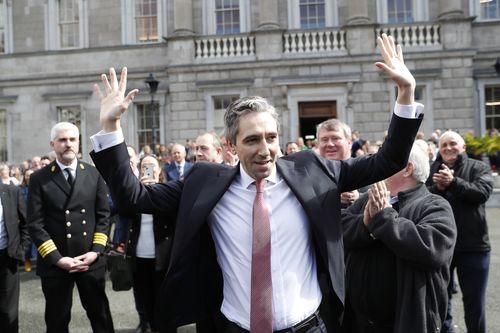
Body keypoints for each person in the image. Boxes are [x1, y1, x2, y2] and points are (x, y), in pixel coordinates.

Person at [90, 34, 423, 332]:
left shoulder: (313, 170)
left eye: (271, 137)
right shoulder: (205, 183)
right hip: (233, 325)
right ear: (231, 147)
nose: (265, 150)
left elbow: (389, 161)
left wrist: (406, 92)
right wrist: (110, 126)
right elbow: (133, 196)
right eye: (252, 140)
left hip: (310, 325)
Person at [341, 144, 457, 332]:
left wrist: (384, 218)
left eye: (385, 161)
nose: (376, 166)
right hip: (359, 321)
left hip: (405, 321)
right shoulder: (367, 199)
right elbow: (340, 228)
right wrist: (365, 225)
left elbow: (431, 249)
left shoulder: (435, 205)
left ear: (407, 169)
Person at [27, 122, 114, 333]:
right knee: (57, 320)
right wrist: (57, 259)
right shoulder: (40, 178)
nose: (68, 144)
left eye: (72, 139)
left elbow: (104, 216)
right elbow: (35, 224)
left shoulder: (93, 174)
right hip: (57, 263)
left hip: (89, 261)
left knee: (100, 316)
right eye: (62, 140)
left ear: (78, 142)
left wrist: (95, 252)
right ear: (52, 143)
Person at [426, 130, 493, 333]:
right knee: (440, 301)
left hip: (474, 246)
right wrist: (438, 188)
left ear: (463, 147)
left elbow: (482, 193)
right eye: (444, 145)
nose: (448, 148)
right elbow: (418, 198)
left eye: (453, 143)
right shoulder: (431, 169)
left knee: (474, 304)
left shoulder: (479, 167)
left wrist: (454, 183)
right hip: (440, 247)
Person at [125, 155, 175, 333]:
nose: (149, 169)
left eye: (152, 166)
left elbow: (172, 214)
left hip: (162, 257)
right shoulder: (135, 192)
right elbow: (119, 209)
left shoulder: (168, 189)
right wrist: (135, 187)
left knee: (166, 304)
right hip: (139, 256)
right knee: (146, 301)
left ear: (159, 169)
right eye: (144, 166)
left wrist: (155, 189)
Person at [0, 180, 30, 333]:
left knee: (8, 309)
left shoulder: (12, 191)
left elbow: (25, 223)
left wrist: (21, 250)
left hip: (7, 256)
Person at [316, 118, 361, 207]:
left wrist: (359, 197)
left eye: (335, 138)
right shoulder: (310, 175)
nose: (330, 144)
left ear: (349, 142)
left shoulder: (364, 168)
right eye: (324, 139)